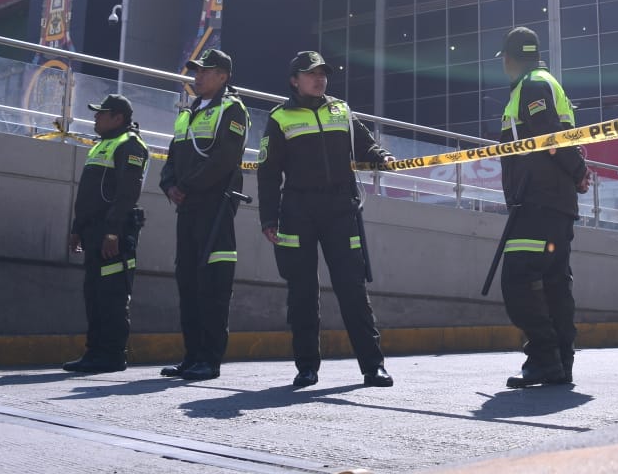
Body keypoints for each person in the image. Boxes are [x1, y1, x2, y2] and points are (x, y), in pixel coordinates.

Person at [258, 50, 397, 389]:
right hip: (297, 211)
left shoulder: (341, 110)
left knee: (353, 288)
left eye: (322, 73)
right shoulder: (280, 117)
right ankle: (306, 367)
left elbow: (365, 145)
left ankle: (373, 366)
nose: (319, 79)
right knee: (302, 292)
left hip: (340, 209)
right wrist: (269, 218)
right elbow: (268, 173)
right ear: (295, 80)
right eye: (311, 74)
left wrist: (382, 156)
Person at [495, 26, 591, 389]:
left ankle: (544, 357)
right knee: (554, 284)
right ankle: (560, 363)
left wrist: (578, 171)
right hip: (553, 202)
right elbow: (557, 136)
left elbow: (547, 136)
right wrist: (577, 172)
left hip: (537, 201)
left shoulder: (532, 86)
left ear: (509, 59)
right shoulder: (545, 83)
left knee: (517, 280)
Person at [158, 48, 249, 381]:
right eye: (196, 71)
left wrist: (187, 186)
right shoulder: (188, 113)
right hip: (188, 208)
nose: (198, 76)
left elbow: (225, 158)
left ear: (223, 76)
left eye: (205, 71)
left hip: (215, 208)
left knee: (212, 286)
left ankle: (209, 360)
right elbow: (171, 159)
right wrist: (170, 186)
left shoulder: (232, 109)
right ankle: (191, 356)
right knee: (188, 283)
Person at [62, 94, 148, 373]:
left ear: (118, 118)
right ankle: (94, 352)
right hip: (92, 231)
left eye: (102, 113)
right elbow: (87, 196)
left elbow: (127, 193)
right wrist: (77, 229)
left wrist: (113, 232)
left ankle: (112, 355)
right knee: (94, 295)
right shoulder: (101, 145)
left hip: (114, 233)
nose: (96, 117)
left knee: (112, 296)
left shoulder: (130, 145)